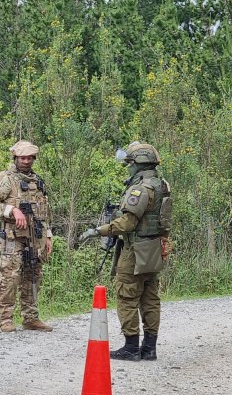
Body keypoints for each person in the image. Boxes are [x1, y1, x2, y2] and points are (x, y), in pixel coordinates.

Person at [79, 141, 172, 361]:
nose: (128, 167)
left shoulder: (141, 188)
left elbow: (127, 223)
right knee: (150, 298)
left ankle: (131, 347)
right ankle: (149, 348)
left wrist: (99, 230)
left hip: (136, 249)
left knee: (127, 295)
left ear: (139, 163)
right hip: (154, 248)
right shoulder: (161, 184)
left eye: (129, 163)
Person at [0, 140, 53, 333]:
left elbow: (44, 211)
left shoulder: (37, 181)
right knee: (9, 276)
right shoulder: (5, 179)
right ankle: (5, 318)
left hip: (36, 236)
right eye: (23, 158)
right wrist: (12, 210)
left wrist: (47, 235)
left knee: (33, 275)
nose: (26, 161)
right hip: (12, 236)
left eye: (30, 158)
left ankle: (30, 317)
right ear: (15, 158)